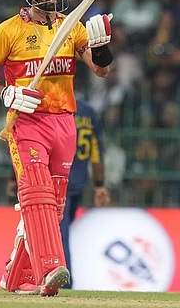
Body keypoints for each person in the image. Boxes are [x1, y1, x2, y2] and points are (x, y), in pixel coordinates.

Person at [0, 0, 114, 296]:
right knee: (36, 195)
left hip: (65, 121)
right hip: (27, 122)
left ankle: (16, 277)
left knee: (56, 203)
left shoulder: (73, 26)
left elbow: (101, 70)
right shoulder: (9, 30)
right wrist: (6, 92)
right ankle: (50, 268)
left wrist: (103, 49)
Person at [61, 97, 111, 289]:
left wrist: (13, 177)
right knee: (61, 231)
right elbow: (97, 150)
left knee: (58, 232)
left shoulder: (51, 105)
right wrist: (99, 184)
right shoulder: (88, 112)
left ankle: (64, 283)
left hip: (56, 180)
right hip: (78, 183)